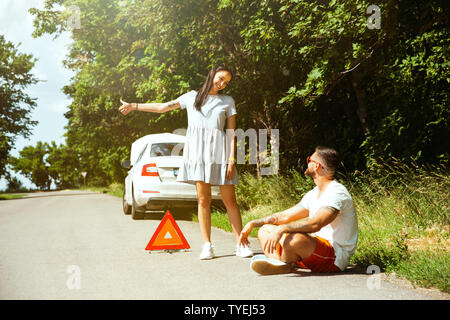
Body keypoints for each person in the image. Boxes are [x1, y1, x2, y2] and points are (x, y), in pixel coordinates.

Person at [119, 65, 253, 260]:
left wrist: (232, 159)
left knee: (230, 201)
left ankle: (241, 244)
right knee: (203, 200)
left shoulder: (227, 101)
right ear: (213, 74)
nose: (222, 84)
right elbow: (162, 108)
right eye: (221, 78)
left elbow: (231, 133)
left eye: (226, 82)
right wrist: (134, 106)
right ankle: (207, 245)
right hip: (197, 155)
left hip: (220, 155)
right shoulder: (191, 97)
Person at [239, 146, 358, 275]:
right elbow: (285, 216)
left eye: (309, 160)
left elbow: (315, 224)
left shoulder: (337, 193)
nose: (307, 163)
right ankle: (280, 263)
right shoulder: (314, 193)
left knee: (294, 238)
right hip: (311, 251)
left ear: (316, 166)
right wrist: (253, 223)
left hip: (333, 257)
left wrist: (282, 229)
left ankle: (283, 264)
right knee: (265, 230)